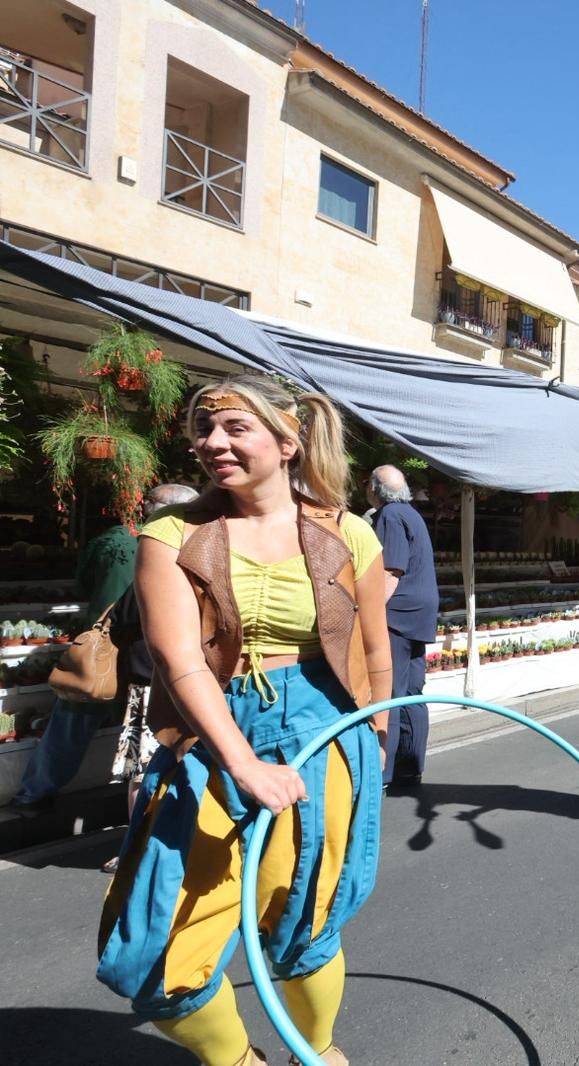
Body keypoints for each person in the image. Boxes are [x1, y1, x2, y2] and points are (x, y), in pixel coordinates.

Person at [96, 375, 391, 1066]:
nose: (212, 442)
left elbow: (377, 650)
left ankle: (317, 1055)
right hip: (207, 734)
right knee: (158, 955)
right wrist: (242, 761)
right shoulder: (170, 534)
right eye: (204, 429)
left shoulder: (349, 533)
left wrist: (376, 736)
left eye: (234, 428)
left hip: (323, 730)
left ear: (287, 444)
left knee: (301, 921)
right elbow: (180, 660)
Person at [5, 507, 143, 813]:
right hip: (144, 653)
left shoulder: (111, 541)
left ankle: (33, 794)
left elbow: (84, 584)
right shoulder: (179, 543)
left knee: (75, 716)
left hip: (105, 647)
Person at [103, 484, 202, 873]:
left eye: (150, 506)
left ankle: (140, 846)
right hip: (196, 681)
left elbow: (125, 617)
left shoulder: (160, 558)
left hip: (152, 682)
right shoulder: (207, 557)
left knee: (143, 766)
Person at [367, 465, 438, 788]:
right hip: (421, 611)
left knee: (389, 693)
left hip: (398, 612)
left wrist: (368, 612)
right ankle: (411, 766)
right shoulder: (411, 514)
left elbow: (391, 571)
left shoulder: (390, 516)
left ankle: (383, 773)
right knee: (411, 691)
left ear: (373, 489)